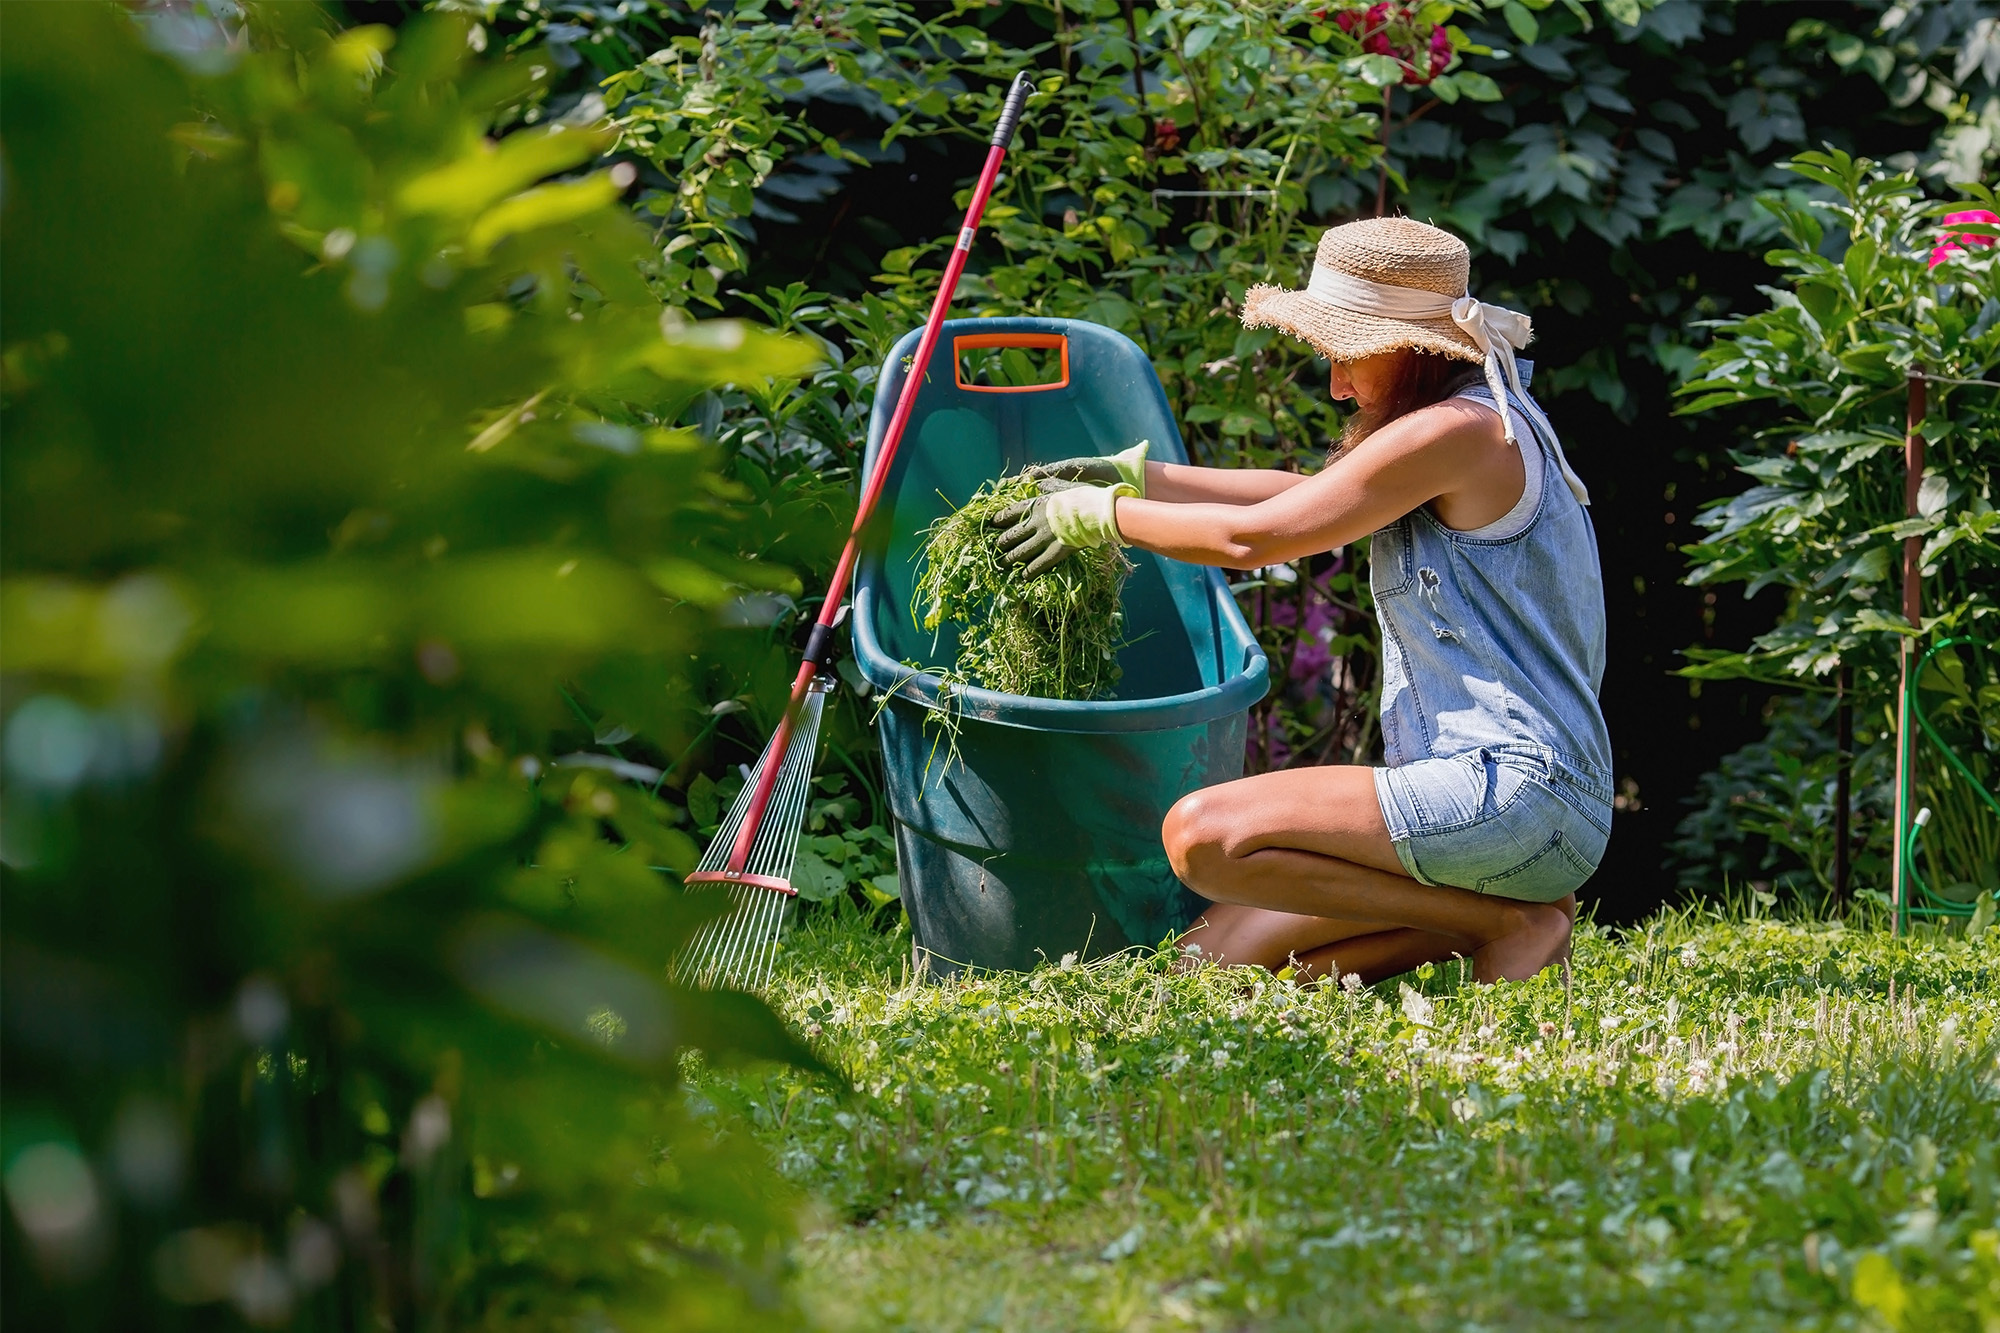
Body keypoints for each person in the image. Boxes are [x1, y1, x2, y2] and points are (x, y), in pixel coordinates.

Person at [989, 217, 1611, 984]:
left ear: (1413, 344)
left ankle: (1505, 921)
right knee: (1206, 962)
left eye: (1347, 355)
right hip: (1521, 806)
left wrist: (1102, 516)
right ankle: (1515, 922)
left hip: (1513, 790)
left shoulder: (1464, 431)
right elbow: (1308, 497)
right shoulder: (1465, 420)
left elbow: (1254, 538)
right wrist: (1133, 476)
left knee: (1202, 835)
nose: (1337, 384)